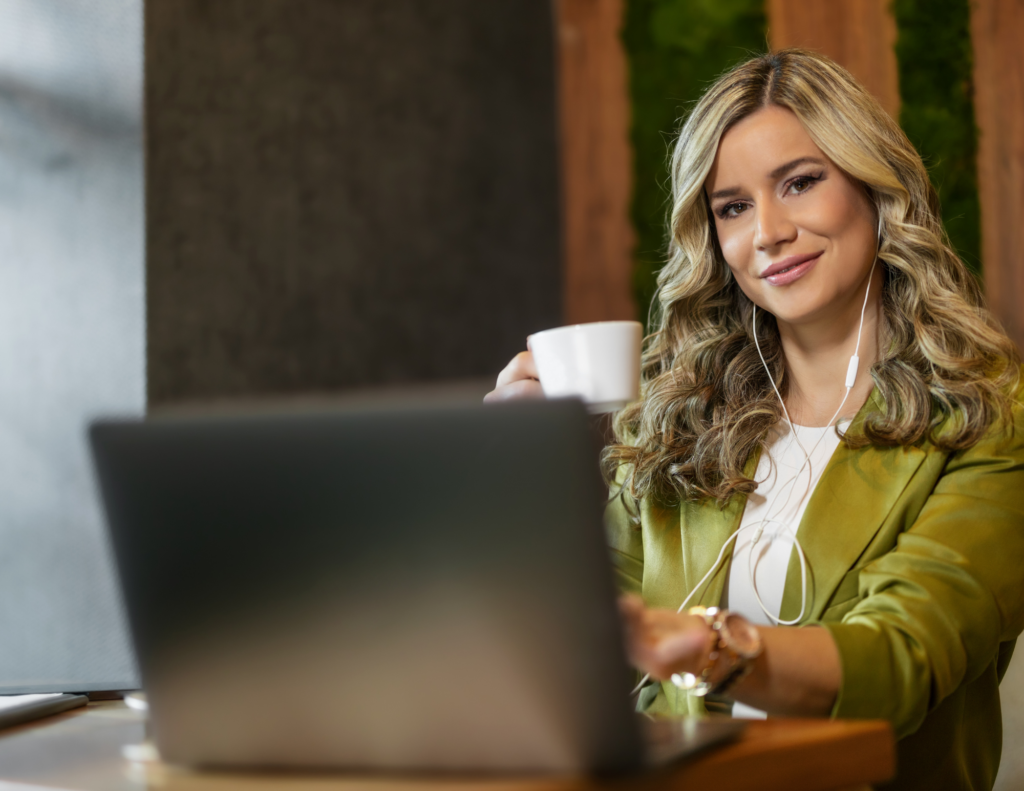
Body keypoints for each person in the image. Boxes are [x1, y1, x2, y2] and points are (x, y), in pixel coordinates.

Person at [485, 49, 1024, 791]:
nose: (767, 231)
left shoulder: (989, 415)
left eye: (800, 183)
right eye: (733, 206)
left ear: (873, 186)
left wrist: (706, 644)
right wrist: (520, 480)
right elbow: (565, 636)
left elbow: (902, 657)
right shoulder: (683, 413)